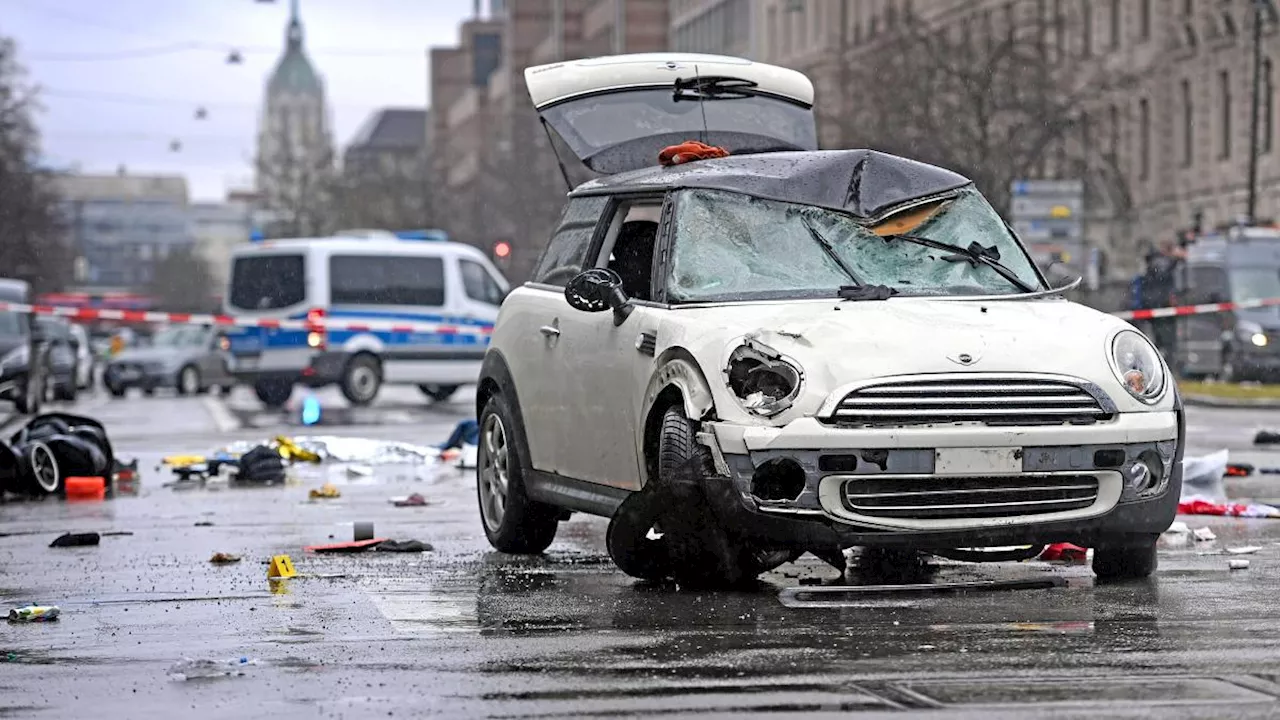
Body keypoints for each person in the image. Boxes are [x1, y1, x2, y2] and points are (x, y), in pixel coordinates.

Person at [1141, 239, 1186, 358]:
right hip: (1160, 308)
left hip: (1161, 308)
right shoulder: (1159, 262)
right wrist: (1175, 259)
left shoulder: (1158, 262)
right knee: (1164, 343)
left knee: (1164, 343)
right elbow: (1162, 273)